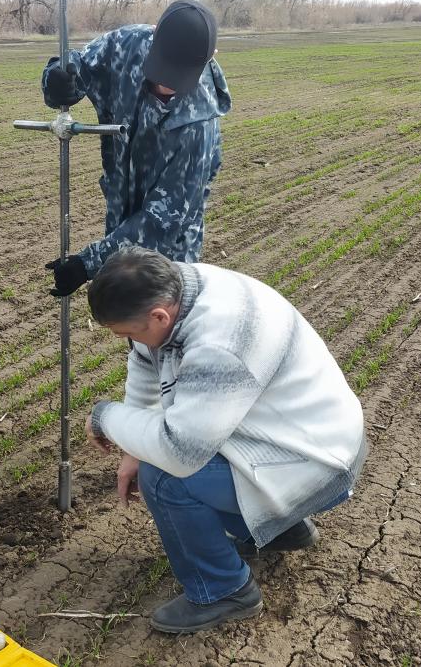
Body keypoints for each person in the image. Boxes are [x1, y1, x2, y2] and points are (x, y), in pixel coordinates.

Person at [83, 247, 367, 633]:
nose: (127, 342)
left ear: (159, 316)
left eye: (127, 333)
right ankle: (280, 529)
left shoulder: (221, 341)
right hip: (301, 436)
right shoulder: (179, 287)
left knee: (165, 476)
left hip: (316, 461)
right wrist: (133, 447)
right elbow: (145, 359)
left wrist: (107, 417)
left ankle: (223, 591)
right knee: (170, 448)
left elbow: (180, 452)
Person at [40, 0, 231, 297]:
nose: (166, 85)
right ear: (153, 34)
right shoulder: (127, 44)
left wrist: (87, 264)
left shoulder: (198, 127)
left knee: (157, 328)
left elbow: (161, 222)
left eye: (177, 77)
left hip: (167, 260)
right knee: (128, 320)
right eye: (162, 69)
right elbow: (79, 66)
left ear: (210, 58)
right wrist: (58, 80)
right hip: (120, 213)